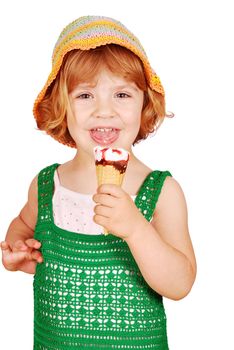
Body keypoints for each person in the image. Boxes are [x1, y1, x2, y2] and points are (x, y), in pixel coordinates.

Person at [1, 16, 196, 349]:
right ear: (61, 105)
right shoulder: (47, 185)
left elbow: (179, 285)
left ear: (145, 104)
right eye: (85, 96)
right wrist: (17, 255)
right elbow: (23, 228)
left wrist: (136, 229)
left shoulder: (161, 191)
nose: (104, 110)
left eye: (121, 94)